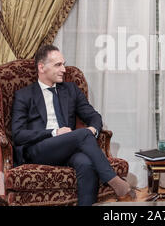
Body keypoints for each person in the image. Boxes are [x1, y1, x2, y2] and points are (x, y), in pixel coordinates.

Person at [12, 45, 134, 205]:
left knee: (86, 163)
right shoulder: (24, 95)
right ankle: (116, 182)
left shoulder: (70, 90)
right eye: (58, 65)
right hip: (38, 149)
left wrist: (93, 129)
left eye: (63, 64)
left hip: (67, 149)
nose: (64, 69)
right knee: (83, 134)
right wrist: (54, 132)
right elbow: (18, 134)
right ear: (41, 67)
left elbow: (94, 116)